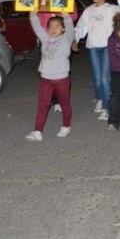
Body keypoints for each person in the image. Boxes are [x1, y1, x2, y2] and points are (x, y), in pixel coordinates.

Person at [73, 0, 120, 121]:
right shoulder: (88, 11)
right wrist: (75, 39)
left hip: (108, 47)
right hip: (93, 47)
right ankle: (100, 97)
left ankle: (106, 108)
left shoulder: (113, 9)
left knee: (105, 78)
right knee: (97, 78)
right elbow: (81, 27)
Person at [25, 12, 74, 142]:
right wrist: (33, 15)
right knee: (42, 105)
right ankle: (37, 131)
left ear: (62, 29)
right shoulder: (45, 39)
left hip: (62, 79)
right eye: (51, 26)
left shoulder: (66, 39)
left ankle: (66, 126)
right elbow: (37, 27)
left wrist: (66, 16)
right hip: (45, 78)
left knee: (64, 103)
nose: (53, 29)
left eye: (57, 26)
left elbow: (70, 27)